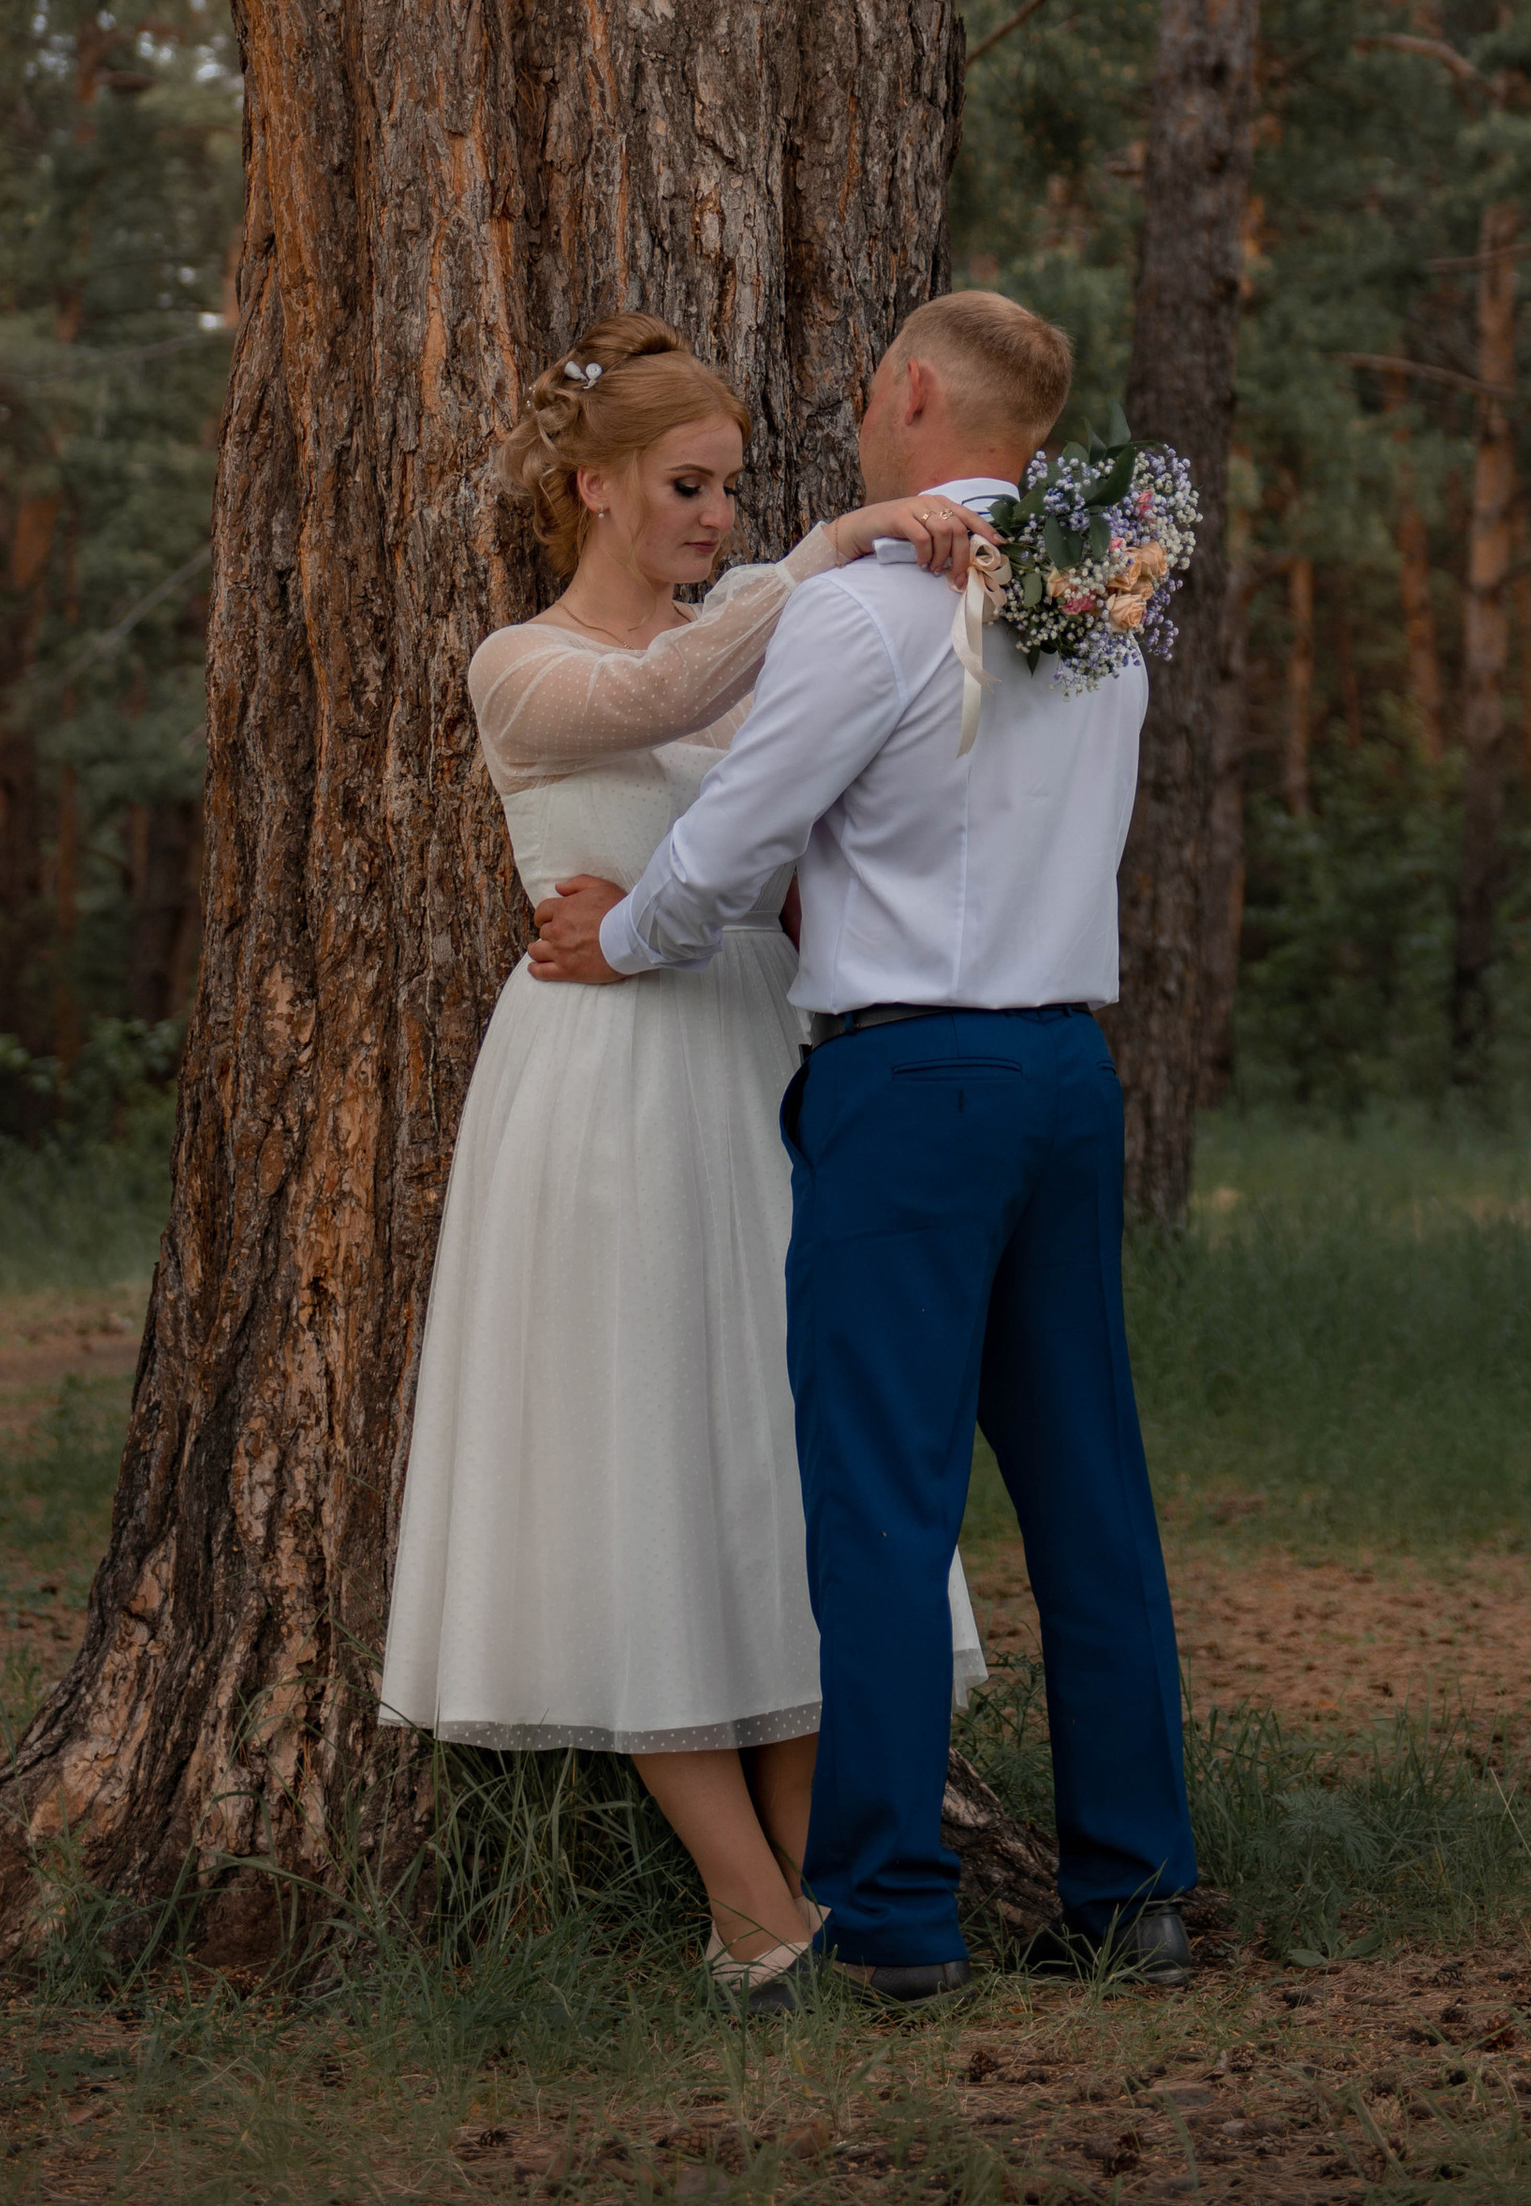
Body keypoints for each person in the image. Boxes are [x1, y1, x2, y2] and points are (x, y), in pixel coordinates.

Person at [530, 290, 1198, 2004]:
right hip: (1065, 1072)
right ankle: (1136, 1892)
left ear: (911, 394)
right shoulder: (1102, 596)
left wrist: (615, 940)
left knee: (884, 1513)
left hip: (912, 1089)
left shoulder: (869, 612)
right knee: (1090, 1498)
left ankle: (894, 1925)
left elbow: (728, 852)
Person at [378, 315, 991, 2012]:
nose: (716, 515)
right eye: (687, 485)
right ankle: (748, 1910)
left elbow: (798, 792)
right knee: (635, 1467)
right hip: (599, 1081)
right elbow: (658, 699)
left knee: (770, 1472)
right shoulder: (524, 662)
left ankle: (819, 1892)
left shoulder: (747, 623)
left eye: (732, 488)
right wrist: (847, 538)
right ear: (595, 485)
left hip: (748, 1059)